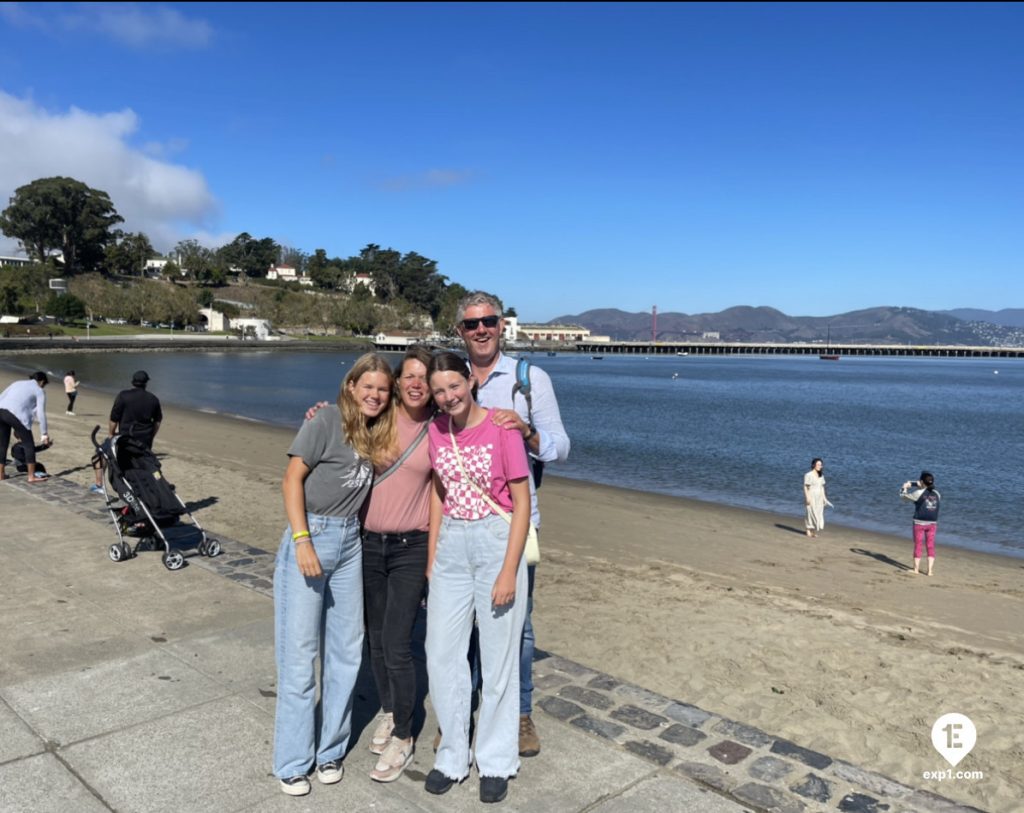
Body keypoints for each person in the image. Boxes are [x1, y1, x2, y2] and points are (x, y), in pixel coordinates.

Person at [273, 353, 396, 797]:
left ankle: (330, 751)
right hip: (314, 534)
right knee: (300, 655)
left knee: (347, 653)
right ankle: (292, 760)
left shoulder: (374, 431)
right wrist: (303, 539)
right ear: (351, 386)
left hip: (351, 544)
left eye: (382, 389)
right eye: (368, 386)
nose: (375, 395)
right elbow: (291, 480)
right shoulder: (325, 419)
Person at [455, 290, 570, 757]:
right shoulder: (450, 377)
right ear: (459, 331)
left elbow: (561, 447)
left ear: (502, 325)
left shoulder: (529, 379)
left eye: (489, 320)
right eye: (471, 323)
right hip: (460, 522)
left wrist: (527, 432)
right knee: (464, 623)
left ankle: (520, 715)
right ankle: (463, 710)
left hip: (516, 521)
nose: (481, 329)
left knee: (517, 625)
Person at [423, 351, 531, 804]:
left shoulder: (502, 429)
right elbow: (439, 493)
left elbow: (521, 503)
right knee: (441, 653)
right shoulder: (435, 430)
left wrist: (508, 569)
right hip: (452, 544)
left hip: (495, 543)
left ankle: (495, 759)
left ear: (470, 381)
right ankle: (452, 753)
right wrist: (433, 556)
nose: (448, 397)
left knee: (497, 657)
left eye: (454, 386)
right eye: (439, 391)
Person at [361, 346, 436, 783]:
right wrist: (317, 414)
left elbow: (443, 495)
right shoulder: (378, 418)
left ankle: (405, 734)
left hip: (412, 546)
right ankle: (389, 711)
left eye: (423, 378)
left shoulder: (438, 430)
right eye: (408, 376)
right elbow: (342, 423)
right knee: (374, 638)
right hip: (368, 544)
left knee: (398, 644)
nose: (415, 384)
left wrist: (433, 556)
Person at [0, 371, 51, 484]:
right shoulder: (39, 390)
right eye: (44, 384)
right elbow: (41, 413)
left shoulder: (17, 383)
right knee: (29, 444)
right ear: (42, 382)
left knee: (2, 444)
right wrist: (44, 434)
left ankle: (1, 474)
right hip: (16, 415)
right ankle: (31, 476)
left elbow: (1, 397)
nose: (43, 386)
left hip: (1, 411)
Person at [900, 471, 941, 576]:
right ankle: (930, 571)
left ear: (922, 481)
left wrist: (904, 487)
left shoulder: (918, 493)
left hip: (919, 523)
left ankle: (916, 570)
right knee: (930, 545)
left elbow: (903, 497)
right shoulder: (937, 494)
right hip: (932, 524)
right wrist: (914, 483)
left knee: (918, 545)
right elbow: (924, 487)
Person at [109, 371, 163, 448]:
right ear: (146, 383)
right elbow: (157, 421)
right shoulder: (153, 399)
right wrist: (151, 436)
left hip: (125, 438)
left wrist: (111, 433)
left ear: (133, 382)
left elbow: (114, 418)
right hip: (144, 440)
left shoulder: (123, 396)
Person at [803, 458, 832, 537]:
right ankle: (808, 529)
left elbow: (822, 487)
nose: (820, 466)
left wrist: (824, 498)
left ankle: (813, 530)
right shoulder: (808, 475)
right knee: (810, 513)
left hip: (819, 497)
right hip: (811, 495)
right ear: (813, 465)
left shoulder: (821, 476)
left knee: (818, 514)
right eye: (818, 464)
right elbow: (805, 487)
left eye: (821, 465)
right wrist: (807, 497)